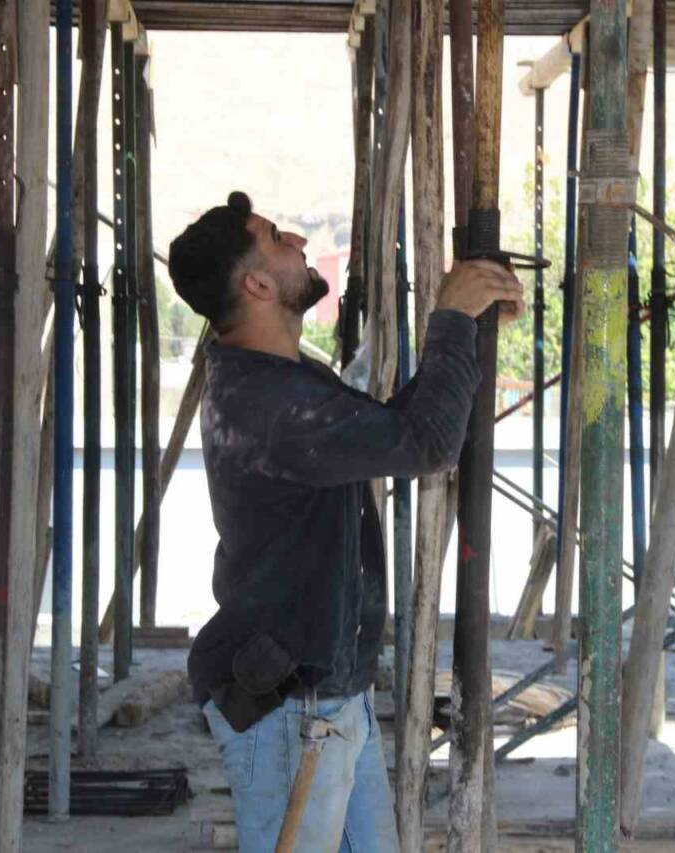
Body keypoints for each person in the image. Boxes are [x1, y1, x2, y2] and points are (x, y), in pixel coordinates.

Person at [167, 191, 524, 852]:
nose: (298, 241)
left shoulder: (283, 380)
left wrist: (468, 320)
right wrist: (449, 318)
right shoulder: (271, 405)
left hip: (327, 688)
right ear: (256, 283)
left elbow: (396, 432)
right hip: (291, 703)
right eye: (276, 238)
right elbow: (428, 445)